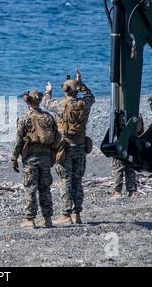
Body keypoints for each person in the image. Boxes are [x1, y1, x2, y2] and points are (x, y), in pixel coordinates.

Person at [42, 69, 95, 225]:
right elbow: (91, 96)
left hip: (64, 147)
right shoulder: (84, 104)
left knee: (65, 180)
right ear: (76, 90)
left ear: (65, 91)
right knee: (77, 180)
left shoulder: (60, 105)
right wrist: (81, 84)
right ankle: (77, 214)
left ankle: (66, 215)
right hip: (80, 146)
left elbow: (46, 103)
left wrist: (47, 92)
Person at [11, 90, 60, 229]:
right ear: (39, 102)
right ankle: (48, 219)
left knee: (30, 189)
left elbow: (18, 142)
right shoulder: (49, 118)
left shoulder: (24, 119)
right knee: (45, 188)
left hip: (31, 158)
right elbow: (56, 138)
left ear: (28, 103)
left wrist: (14, 158)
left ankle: (30, 219)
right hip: (45, 158)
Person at [111, 114, 144, 199]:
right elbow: (141, 131)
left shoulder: (118, 114)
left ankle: (118, 191)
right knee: (129, 167)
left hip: (121, 143)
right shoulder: (136, 113)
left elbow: (112, 130)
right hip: (131, 143)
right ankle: (130, 191)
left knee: (119, 168)